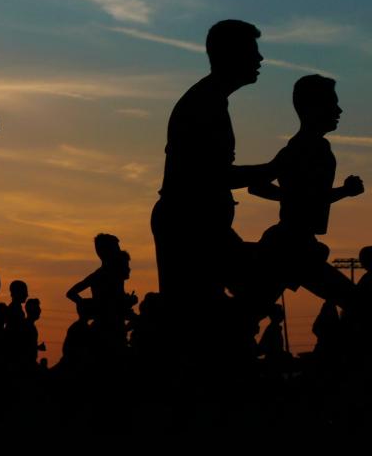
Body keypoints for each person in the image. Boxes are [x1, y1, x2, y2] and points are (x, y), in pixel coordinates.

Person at [150, 20, 277, 353]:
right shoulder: (204, 105)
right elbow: (212, 176)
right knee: (196, 325)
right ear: (232, 55)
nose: (261, 59)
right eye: (253, 52)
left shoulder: (210, 101)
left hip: (198, 225)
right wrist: (276, 168)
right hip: (190, 227)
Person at [250, 75, 363, 310]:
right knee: (356, 302)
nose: (339, 110)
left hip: (296, 245)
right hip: (293, 248)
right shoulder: (302, 149)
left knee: (251, 308)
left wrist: (342, 191)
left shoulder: (310, 147)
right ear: (313, 109)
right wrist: (342, 191)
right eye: (332, 103)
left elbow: (309, 196)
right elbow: (260, 186)